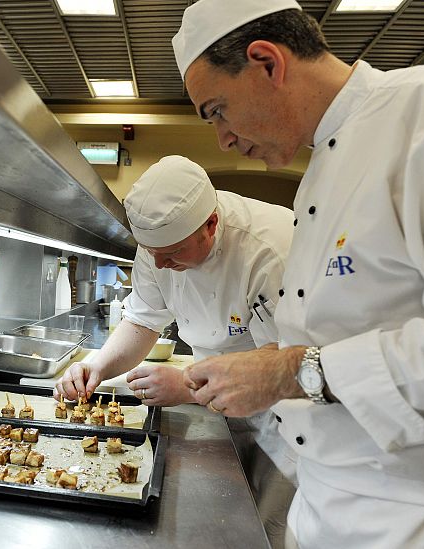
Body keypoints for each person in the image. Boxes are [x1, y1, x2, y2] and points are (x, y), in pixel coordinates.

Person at [172, 0, 424, 547]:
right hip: (326, 506)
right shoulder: (323, 165)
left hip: (423, 520)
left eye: (216, 109)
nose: (221, 137)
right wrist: (275, 361)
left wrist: (293, 370)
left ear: (267, 62)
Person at [53, 154, 296, 546]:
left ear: (211, 225)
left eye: (172, 253)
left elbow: (281, 365)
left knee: (266, 533)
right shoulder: (157, 247)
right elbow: (142, 321)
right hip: (216, 396)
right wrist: (96, 366)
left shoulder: (270, 250)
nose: (160, 264)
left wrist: (187, 385)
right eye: (151, 253)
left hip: (283, 425)